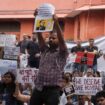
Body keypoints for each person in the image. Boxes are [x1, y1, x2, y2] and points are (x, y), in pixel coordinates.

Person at [29, 12, 68, 105]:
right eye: (50, 38)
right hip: (39, 87)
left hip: (52, 90)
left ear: (59, 40)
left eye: (54, 38)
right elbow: (39, 35)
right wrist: (37, 19)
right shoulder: (44, 50)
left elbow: (61, 38)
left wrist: (56, 23)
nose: (50, 39)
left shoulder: (62, 52)